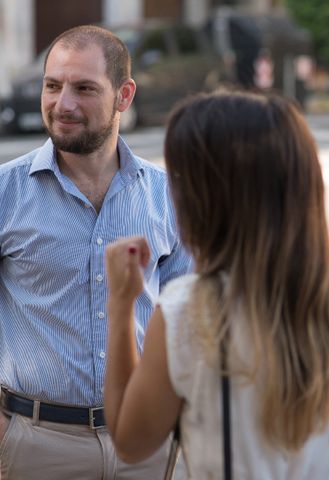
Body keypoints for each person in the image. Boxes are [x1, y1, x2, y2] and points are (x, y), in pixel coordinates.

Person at [103, 90, 329, 479]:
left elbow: (130, 441)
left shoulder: (188, 310)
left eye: (179, 179)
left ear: (208, 198)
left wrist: (122, 304)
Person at [0, 25, 192, 479]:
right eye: (53, 86)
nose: (62, 104)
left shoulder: (169, 198)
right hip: (35, 444)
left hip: (146, 444)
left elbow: (193, 321)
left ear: (124, 95)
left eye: (84, 88)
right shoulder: (5, 192)